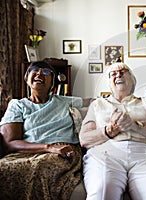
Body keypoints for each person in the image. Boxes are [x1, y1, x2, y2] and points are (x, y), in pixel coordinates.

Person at [79, 62, 146, 200]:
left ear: (132, 80)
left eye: (123, 71)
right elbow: (84, 139)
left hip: (144, 154)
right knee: (101, 191)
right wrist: (110, 130)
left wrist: (134, 125)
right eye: (113, 73)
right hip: (105, 153)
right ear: (109, 83)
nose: (118, 75)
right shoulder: (97, 104)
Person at [0, 61, 88, 199]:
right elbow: (10, 142)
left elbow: (92, 101)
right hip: (29, 152)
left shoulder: (63, 101)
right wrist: (48, 147)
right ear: (27, 77)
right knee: (3, 167)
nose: (40, 73)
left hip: (63, 151)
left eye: (46, 72)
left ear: (52, 83)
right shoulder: (18, 105)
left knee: (41, 167)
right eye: (35, 70)